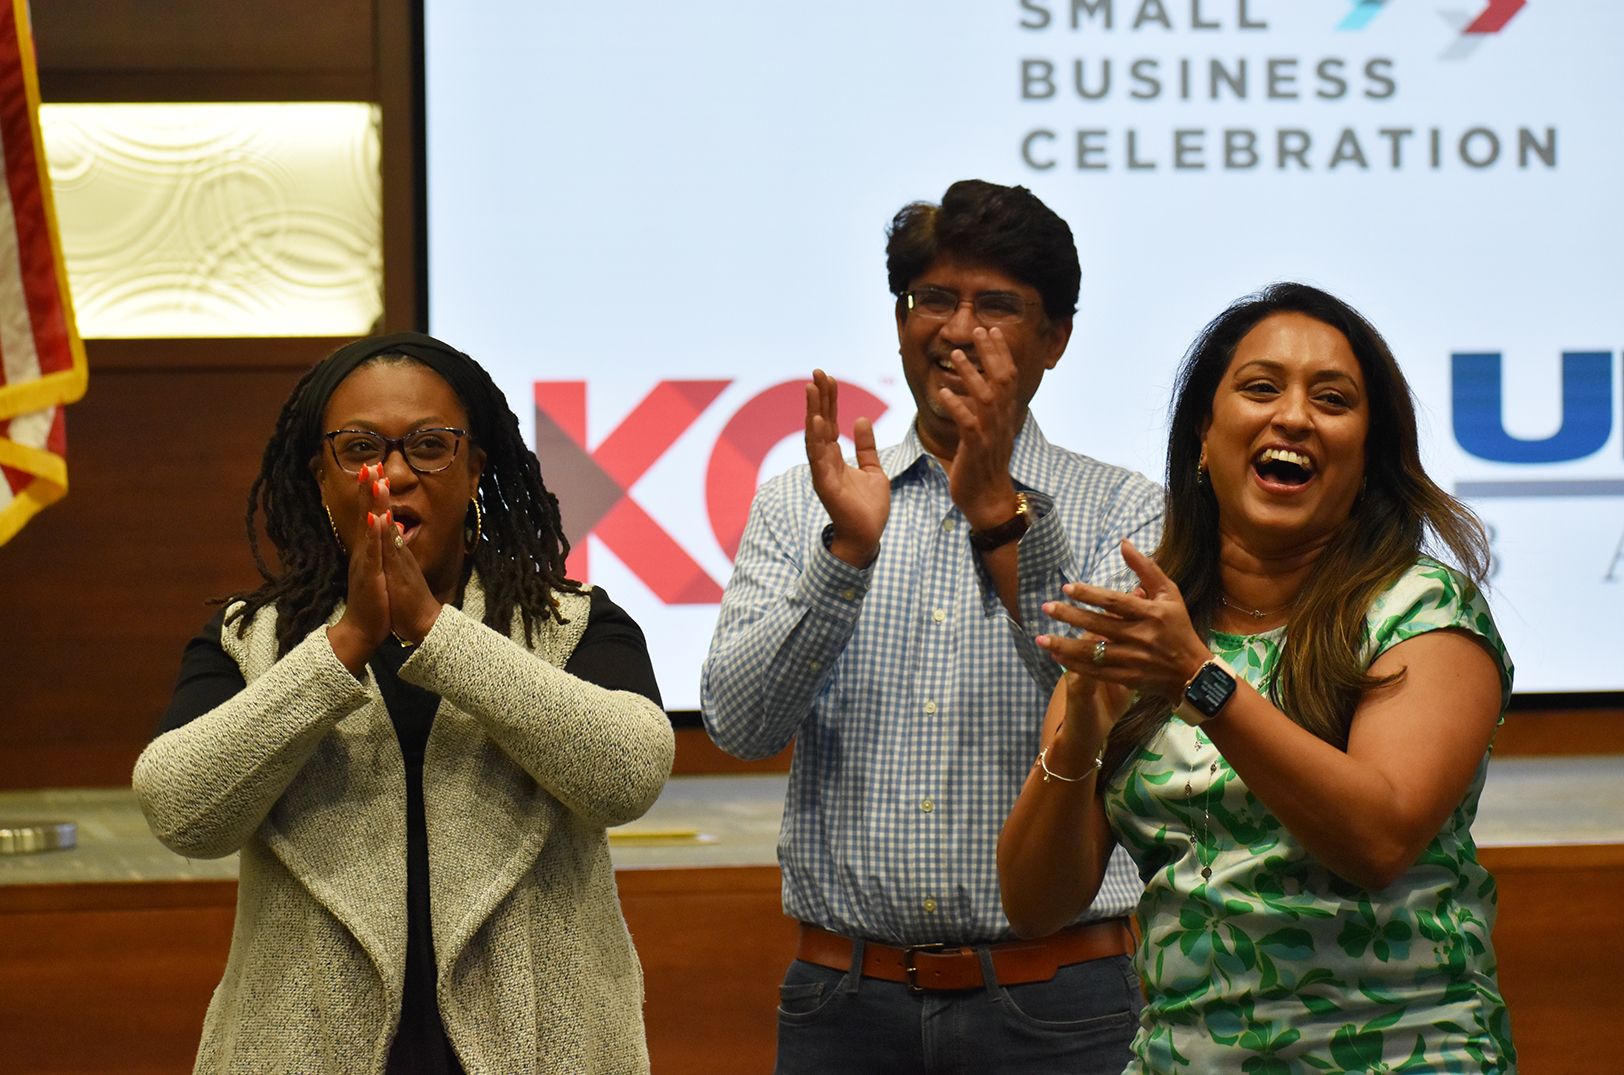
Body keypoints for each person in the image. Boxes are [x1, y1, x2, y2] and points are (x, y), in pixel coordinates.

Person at [701, 180, 1163, 1074]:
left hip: (1057, 1004)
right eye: (933, 300)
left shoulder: (1127, 509)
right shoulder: (806, 503)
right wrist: (843, 557)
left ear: (1056, 339)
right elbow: (738, 727)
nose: (957, 328)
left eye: (997, 305)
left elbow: (1103, 704)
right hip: (844, 1004)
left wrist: (999, 513)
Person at [999, 282, 1518, 1073]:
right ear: (1204, 438)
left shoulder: (1422, 609)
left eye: (1333, 399)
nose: (1295, 416)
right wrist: (1079, 735)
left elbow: (1377, 839)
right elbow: (1036, 905)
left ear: (1368, 456)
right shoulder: (1151, 628)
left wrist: (1200, 681)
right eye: (1261, 387)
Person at [133, 332, 674, 1075]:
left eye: (428, 444)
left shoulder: (570, 621)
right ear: (320, 474)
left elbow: (629, 773)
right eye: (359, 447)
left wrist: (435, 631)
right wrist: (348, 639)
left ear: (476, 465)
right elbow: (182, 810)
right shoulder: (249, 638)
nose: (391, 471)